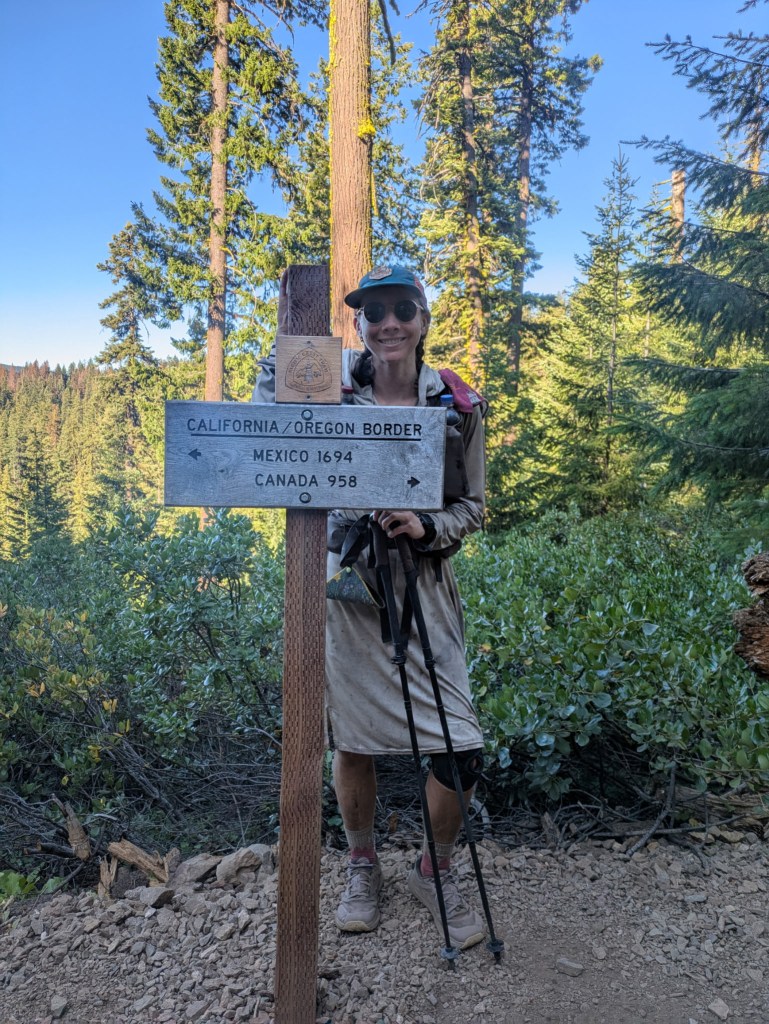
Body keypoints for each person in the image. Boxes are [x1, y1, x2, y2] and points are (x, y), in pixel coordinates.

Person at [253, 264, 488, 950]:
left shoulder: (457, 403)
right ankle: (362, 867)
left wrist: (428, 526)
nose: (387, 322)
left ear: (422, 319)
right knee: (351, 739)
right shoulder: (329, 385)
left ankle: (433, 869)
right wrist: (286, 355)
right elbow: (267, 421)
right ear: (358, 322)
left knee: (461, 749)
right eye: (373, 310)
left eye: (401, 309)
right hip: (347, 587)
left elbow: (471, 505)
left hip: (424, 587)